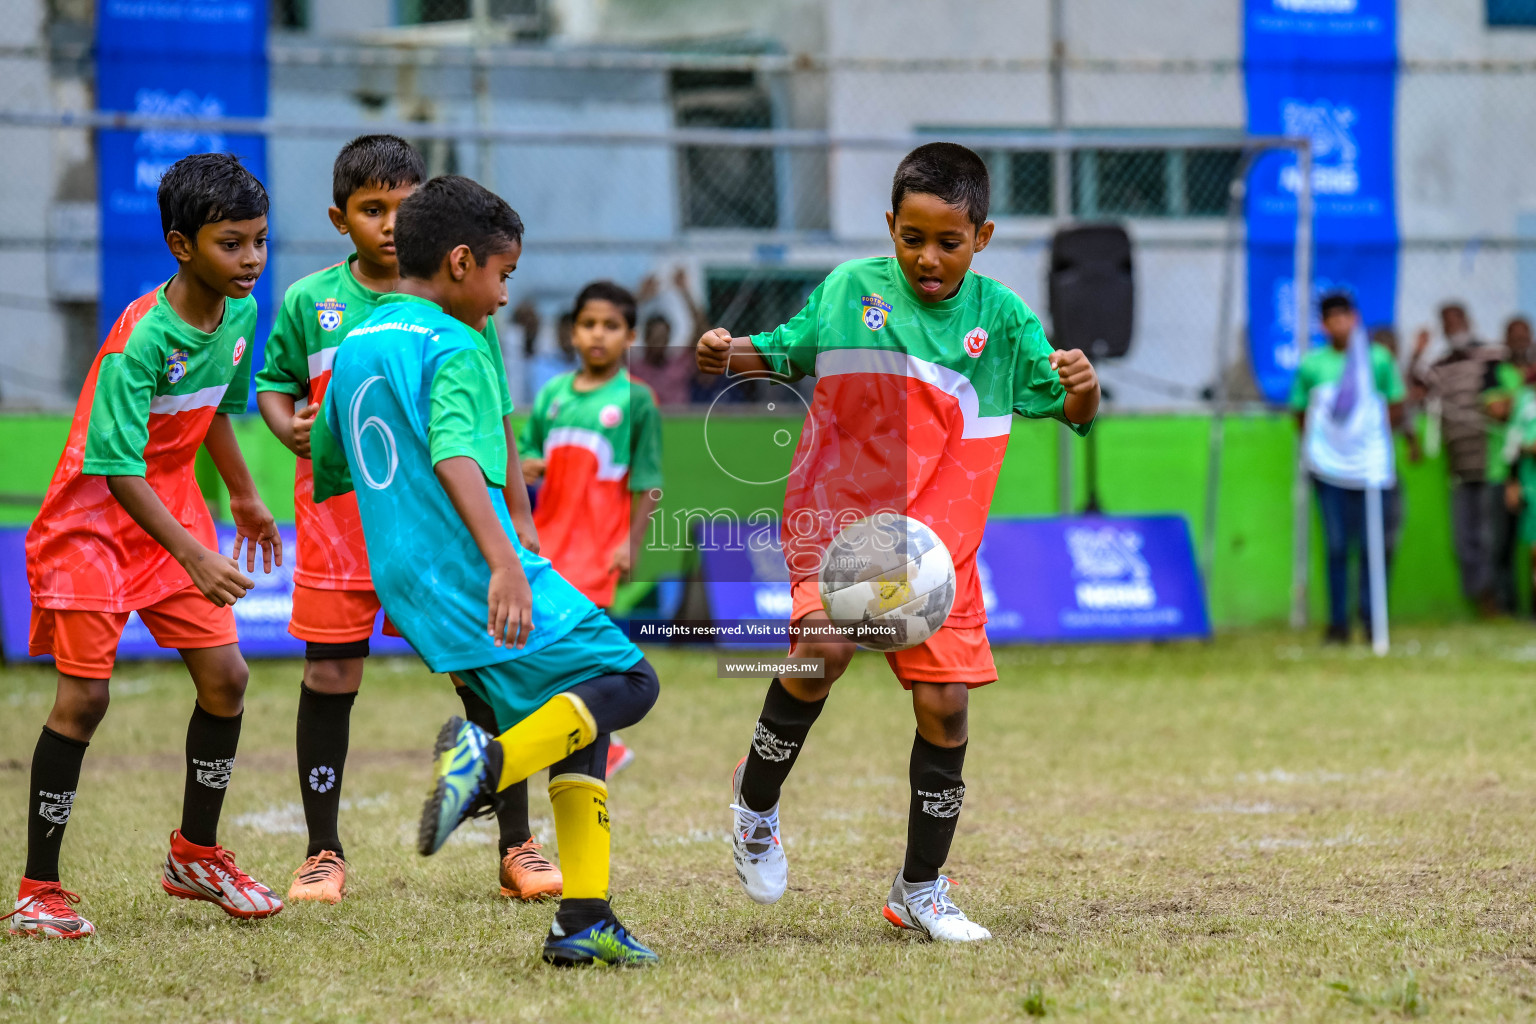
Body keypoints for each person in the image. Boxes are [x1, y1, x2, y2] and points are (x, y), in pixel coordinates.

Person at [695, 143, 1099, 942]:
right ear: (891, 227)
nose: (928, 257)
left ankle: (920, 889)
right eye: (912, 237)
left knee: (945, 708)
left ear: (981, 237)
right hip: (839, 518)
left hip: (939, 549)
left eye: (949, 241)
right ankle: (757, 803)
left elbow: (1071, 410)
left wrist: (1085, 391)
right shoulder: (851, 291)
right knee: (823, 653)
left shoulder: (1005, 321)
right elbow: (780, 350)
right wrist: (724, 353)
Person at [308, 175, 661, 966]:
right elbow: (458, 452)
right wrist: (505, 559)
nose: (505, 297)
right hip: (473, 567)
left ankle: (583, 921)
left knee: (577, 715)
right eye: (503, 275)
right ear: (462, 263)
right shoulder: (458, 343)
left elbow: (327, 458)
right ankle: (489, 764)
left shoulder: (359, 342)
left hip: (407, 577)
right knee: (630, 681)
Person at [254, 135, 559, 906]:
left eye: (403, 206)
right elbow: (273, 383)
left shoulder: (466, 311)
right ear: (340, 218)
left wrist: (518, 523)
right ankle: (323, 851)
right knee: (330, 673)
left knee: (485, 669)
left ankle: (517, 843)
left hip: (437, 526)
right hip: (338, 527)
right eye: (371, 209)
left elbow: (495, 424)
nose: (390, 223)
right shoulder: (309, 303)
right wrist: (284, 421)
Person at [5, 153, 284, 939]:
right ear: (180, 244)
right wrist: (196, 555)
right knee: (84, 700)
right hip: (94, 521)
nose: (252, 259)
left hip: (175, 511)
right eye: (233, 244)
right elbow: (117, 469)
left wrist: (245, 495)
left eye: (260, 241)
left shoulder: (238, 311)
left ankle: (195, 854)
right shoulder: (140, 340)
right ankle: (38, 891)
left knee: (227, 678)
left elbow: (218, 407)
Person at [519, 281, 663, 778]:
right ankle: (597, 744)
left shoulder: (637, 401)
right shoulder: (552, 394)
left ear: (630, 336)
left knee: (583, 659)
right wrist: (527, 464)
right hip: (547, 544)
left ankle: (598, 752)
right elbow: (524, 454)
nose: (597, 334)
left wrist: (631, 541)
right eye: (588, 324)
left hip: (598, 548)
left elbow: (648, 481)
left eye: (611, 326)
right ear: (572, 332)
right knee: (549, 654)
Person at [1291, 293, 1407, 643]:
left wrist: (1364, 443)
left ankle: (1373, 620)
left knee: (1376, 547)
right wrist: (1328, 448)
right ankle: (1338, 624)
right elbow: (1300, 412)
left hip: (1371, 470)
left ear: (1355, 319)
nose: (1341, 324)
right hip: (1329, 471)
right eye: (1332, 318)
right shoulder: (1313, 364)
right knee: (1338, 547)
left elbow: (1396, 405)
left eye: (1346, 316)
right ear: (1324, 325)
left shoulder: (1377, 360)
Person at [1413, 303, 1507, 616]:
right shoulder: (1440, 365)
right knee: (1465, 539)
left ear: (1469, 320)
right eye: (1446, 323)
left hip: (1491, 465)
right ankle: (1480, 597)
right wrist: (1418, 353)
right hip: (1457, 468)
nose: (1453, 327)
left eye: (1457, 320)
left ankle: (1498, 599)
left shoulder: (1491, 355)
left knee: (1491, 536)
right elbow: (1412, 389)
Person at [631, 268, 705, 407]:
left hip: (677, 422)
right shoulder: (635, 366)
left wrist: (684, 293)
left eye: (663, 338)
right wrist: (639, 297)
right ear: (646, 339)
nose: (659, 343)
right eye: (655, 338)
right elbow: (618, 327)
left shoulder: (679, 364)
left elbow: (701, 333)